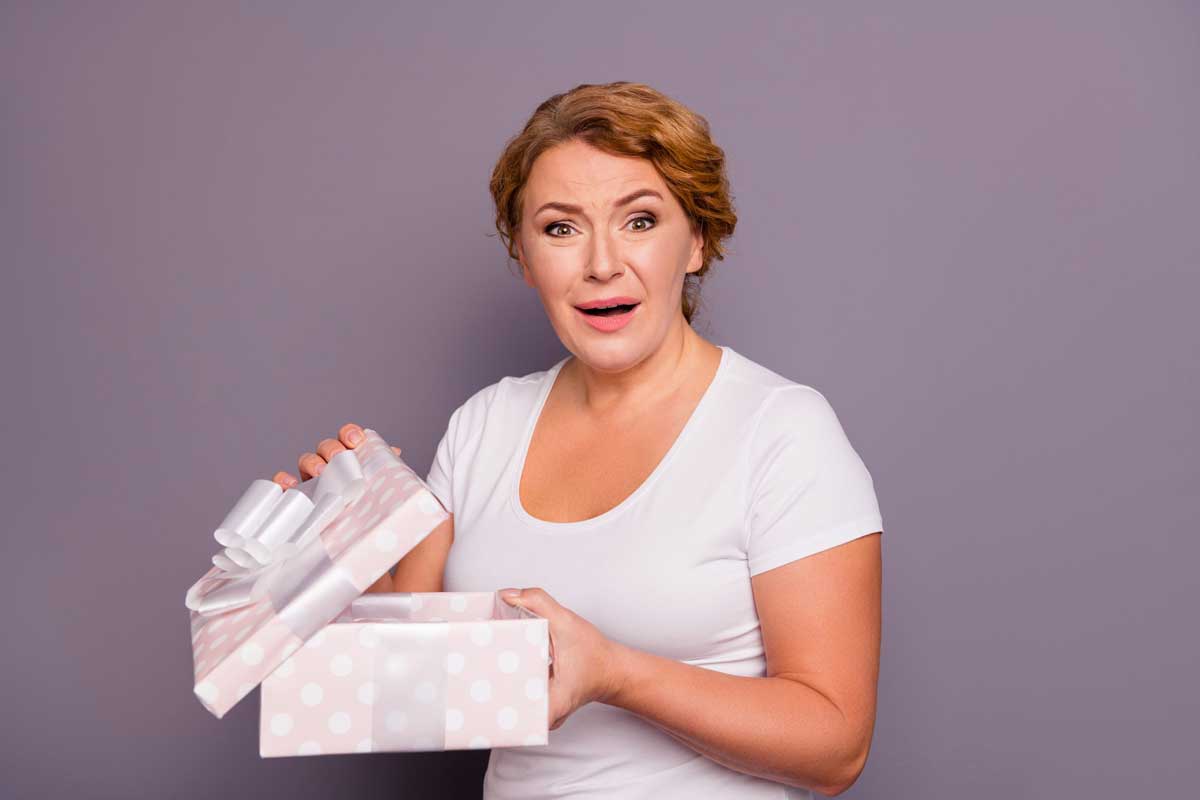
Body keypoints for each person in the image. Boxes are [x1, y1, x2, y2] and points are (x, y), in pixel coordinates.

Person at [272, 81, 884, 800]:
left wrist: (615, 673)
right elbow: (414, 687)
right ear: (525, 256)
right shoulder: (485, 425)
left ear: (697, 240)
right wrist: (335, 557)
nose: (601, 264)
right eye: (561, 228)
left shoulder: (780, 431)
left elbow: (836, 747)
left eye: (639, 221)